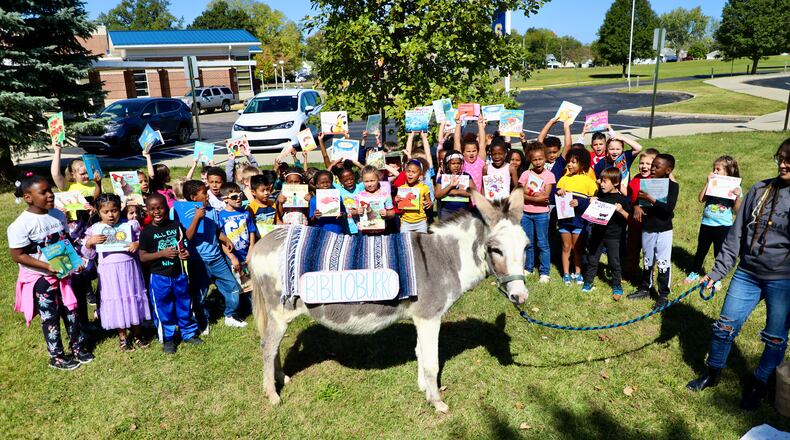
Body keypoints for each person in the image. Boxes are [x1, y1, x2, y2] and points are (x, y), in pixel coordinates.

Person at [687, 139, 790, 411]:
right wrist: (717, 272)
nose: (783, 163)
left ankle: (759, 381)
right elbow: (737, 234)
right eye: (780, 157)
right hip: (746, 274)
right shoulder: (760, 189)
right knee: (724, 327)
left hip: (783, 280)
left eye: (788, 159)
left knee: (775, 337)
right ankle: (713, 372)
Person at [8, 175, 94, 370]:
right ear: (28, 197)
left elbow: (66, 241)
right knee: (50, 316)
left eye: (50, 190)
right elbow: (18, 255)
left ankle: (78, 346)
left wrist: (75, 261)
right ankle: (56, 356)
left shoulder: (58, 215)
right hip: (41, 278)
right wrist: (47, 267)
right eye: (43, 192)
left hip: (64, 274)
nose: (50, 195)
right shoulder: (20, 225)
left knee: (71, 311)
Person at [81, 194, 150, 351]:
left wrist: (137, 243)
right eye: (106, 212)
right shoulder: (95, 229)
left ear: (120, 209)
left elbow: (145, 242)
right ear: (99, 212)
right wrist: (90, 242)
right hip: (109, 271)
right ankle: (123, 337)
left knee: (132, 298)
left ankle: (138, 334)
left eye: (114, 210)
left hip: (129, 268)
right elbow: (88, 255)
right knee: (116, 299)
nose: (111, 215)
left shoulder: (131, 225)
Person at [138, 193, 202, 354]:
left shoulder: (176, 225)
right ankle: (168, 338)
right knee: (163, 308)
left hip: (179, 273)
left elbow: (183, 243)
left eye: (160, 208)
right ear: (147, 211)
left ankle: (188, 333)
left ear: (167, 208)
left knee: (184, 303)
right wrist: (162, 254)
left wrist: (184, 253)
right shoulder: (146, 232)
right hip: (160, 277)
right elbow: (143, 256)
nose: (157, 212)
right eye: (152, 209)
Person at [182, 180, 246, 332]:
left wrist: (226, 239)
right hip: (198, 262)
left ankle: (230, 315)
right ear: (192, 197)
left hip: (217, 259)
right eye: (204, 193)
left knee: (232, 287)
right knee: (200, 294)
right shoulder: (184, 212)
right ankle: (202, 320)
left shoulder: (212, 211)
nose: (208, 195)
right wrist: (197, 217)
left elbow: (216, 231)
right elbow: (187, 238)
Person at [628, 154, 679, 307]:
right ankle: (645, 287)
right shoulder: (647, 183)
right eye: (653, 165)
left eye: (657, 166)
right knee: (647, 259)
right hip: (648, 228)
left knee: (663, 261)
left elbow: (668, 208)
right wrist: (636, 206)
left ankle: (663, 294)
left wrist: (651, 199)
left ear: (668, 170)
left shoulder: (673, 186)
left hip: (663, 230)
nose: (653, 168)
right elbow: (636, 200)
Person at [684, 156, 742, 284]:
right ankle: (695, 272)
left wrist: (737, 196)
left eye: (718, 169)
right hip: (706, 224)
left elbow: (738, 210)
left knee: (719, 252)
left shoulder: (735, 187)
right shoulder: (712, 184)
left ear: (728, 172)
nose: (714, 172)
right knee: (701, 250)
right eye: (713, 169)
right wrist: (707, 182)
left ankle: (716, 277)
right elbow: (701, 199)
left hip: (723, 226)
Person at [581, 168, 631, 300]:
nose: (601, 184)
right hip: (597, 234)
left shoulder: (622, 199)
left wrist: (620, 210)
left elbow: (629, 218)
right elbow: (591, 215)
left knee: (614, 261)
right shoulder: (600, 196)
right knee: (592, 259)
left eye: (604, 182)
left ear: (615, 183)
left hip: (613, 236)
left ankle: (617, 285)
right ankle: (588, 283)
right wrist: (591, 203)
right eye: (601, 181)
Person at [555, 149, 598, 285]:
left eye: (573, 162)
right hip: (564, 221)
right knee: (566, 247)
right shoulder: (563, 179)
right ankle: (566, 273)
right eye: (568, 161)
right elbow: (556, 198)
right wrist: (558, 192)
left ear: (583, 164)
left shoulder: (589, 182)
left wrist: (579, 203)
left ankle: (578, 273)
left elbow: (593, 202)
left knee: (577, 248)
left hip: (580, 221)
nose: (569, 164)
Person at [519, 142, 555, 283]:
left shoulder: (549, 176)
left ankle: (544, 272)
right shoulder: (526, 174)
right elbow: (520, 193)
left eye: (540, 159)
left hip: (541, 215)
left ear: (545, 158)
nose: (538, 162)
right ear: (530, 160)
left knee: (543, 243)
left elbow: (545, 197)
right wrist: (535, 198)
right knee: (528, 242)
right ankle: (529, 267)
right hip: (526, 213)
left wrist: (530, 197)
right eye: (534, 159)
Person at [624, 148, 659, 281]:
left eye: (648, 164)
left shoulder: (657, 181)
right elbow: (630, 198)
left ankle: (649, 272)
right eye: (641, 163)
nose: (644, 166)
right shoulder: (635, 179)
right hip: (634, 223)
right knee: (632, 249)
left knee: (648, 251)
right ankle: (630, 273)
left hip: (649, 224)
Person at [218, 182, 257, 290]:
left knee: (251, 285)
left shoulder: (245, 213)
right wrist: (232, 257)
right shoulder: (220, 216)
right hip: (233, 257)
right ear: (225, 199)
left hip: (247, 254)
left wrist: (251, 249)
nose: (238, 199)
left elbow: (251, 231)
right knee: (239, 286)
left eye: (240, 195)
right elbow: (221, 240)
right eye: (234, 197)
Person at [352, 166, 394, 235]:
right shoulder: (359, 196)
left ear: (378, 179)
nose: (369, 184)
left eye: (372, 181)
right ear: (362, 181)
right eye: (366, 181)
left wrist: (387, 213)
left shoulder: (385, 195)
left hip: (381, 231)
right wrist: (357, 211)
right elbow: (352, 212)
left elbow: (392, 213)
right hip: (364, 232)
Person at [395, 159, 432, 233]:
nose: (410, 174)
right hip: (405, 222)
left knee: (422, 243)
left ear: (420, 174)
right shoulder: (402, 188)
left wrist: (429, 203)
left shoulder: (424, 187)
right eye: (408, 171)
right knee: (405, 242)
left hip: (421, 222)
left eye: (414, 172)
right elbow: (399, 206)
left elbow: (429, 202)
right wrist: (396, 200)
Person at [435, 151, 476, 219]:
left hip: (463, 211)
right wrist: (450, 186)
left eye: (458, 163)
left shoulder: (466, 176)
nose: (456, 166)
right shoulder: (442, 178)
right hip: (446, 211)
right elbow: (437, 195)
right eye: (453, 163)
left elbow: (473, 192)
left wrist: (454, 192)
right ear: (448, 164)